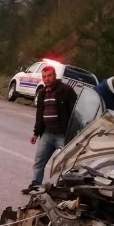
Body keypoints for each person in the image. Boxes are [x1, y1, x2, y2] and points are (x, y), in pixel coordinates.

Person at [23, 65, 77, 193]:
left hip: (62, 135)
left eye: (49, 76)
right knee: (39, 161)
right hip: (47, 134)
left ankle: (60, 188)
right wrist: (36, 133)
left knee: (63, 163)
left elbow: (75, 113)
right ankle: (35, 184)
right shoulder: (42, 93)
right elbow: (40, 115)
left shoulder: (66, 91)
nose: (46, 79)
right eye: (44, 77)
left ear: (55, 75)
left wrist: (73, 132)